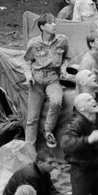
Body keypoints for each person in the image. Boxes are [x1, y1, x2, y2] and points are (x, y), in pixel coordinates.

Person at [23, 12, 71, 149]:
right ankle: (29, 151)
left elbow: (67, 57)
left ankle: (48, 131)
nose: (54, 25)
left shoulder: (62, 40)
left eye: (54, 22)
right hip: (36, 79)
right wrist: (28, 76)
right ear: (42, 27)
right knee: (32, 118)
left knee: (56, 101)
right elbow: (27, 61)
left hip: (53, 78)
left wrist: (63, 68)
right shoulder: (34, 43)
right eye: (50, 23)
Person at [2, 148, 71, 195]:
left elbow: (51, 190)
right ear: (40, 163)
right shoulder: (29, 175)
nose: (54, 165)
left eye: (54, 162)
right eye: (50, 163)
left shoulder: (44, 171)